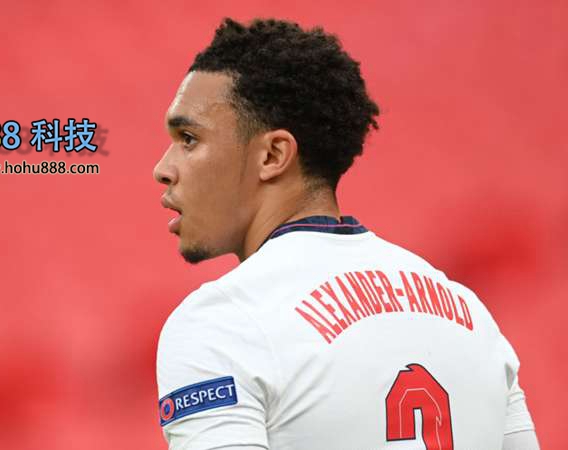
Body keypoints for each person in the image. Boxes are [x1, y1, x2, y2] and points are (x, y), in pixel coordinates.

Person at [152, 17, 539, 450]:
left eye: (188, 138)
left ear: (273, 155)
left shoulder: (221, 322)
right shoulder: (470, 313)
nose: (163, 169)